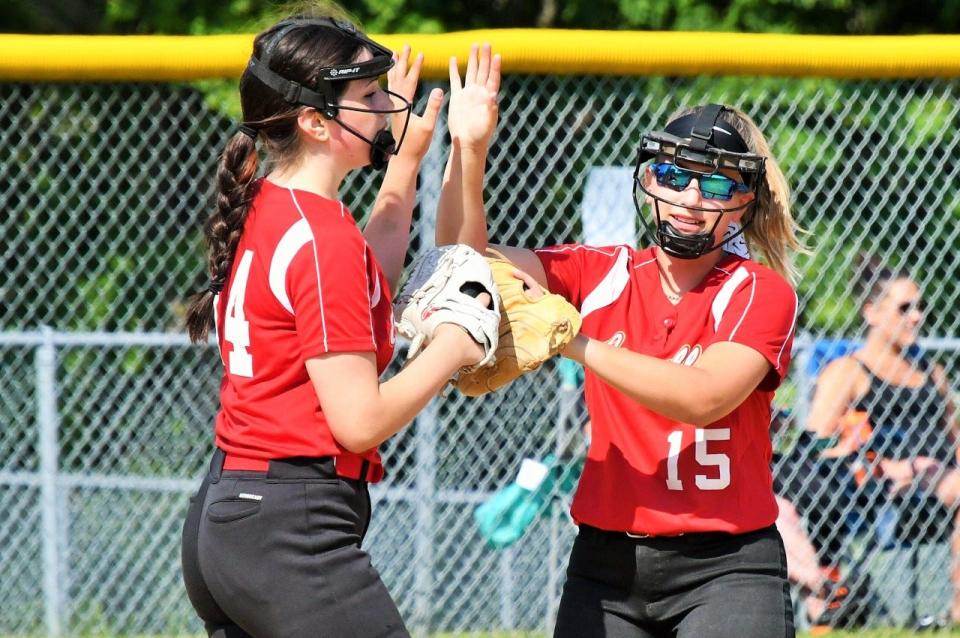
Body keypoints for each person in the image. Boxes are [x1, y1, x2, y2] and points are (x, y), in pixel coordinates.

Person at [439, 43, 803, 637]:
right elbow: (463, 262)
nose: (689, 198)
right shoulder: (603, 272)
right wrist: (471, 151)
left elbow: (703, 396)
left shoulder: (757, 291)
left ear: (744, 202)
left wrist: (573, 340)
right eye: (674, 175)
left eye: (714, 183)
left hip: (727, 567)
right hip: (607, 564)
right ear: (649, 180)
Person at [179, 15, 494, 638]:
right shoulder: (320, 236)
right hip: (289, 528)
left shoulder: (274, 203)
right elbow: (359, 422)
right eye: (369, 97)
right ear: (314, 121)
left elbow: (363, 285)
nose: (386, 106)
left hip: (233, 514)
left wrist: (403, 168)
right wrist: (455, 344)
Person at [775, 262, 958, 629]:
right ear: (872, 313)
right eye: (904, 308)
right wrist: (885, 464)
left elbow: (954, 435)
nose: (917, 317)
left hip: (943, 479)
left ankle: (954, 613)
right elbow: (813, 451)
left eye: (920, 307)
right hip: (881, 487)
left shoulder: (932, 372)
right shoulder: (849, 372)